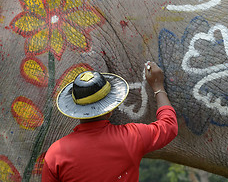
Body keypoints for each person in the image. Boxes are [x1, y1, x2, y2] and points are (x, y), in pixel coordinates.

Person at [42, 61, 178, 182]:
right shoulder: (131, 137)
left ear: (76, 110)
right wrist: (158, 87)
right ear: (110, 108)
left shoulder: (55, 154)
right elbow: (169, 126)